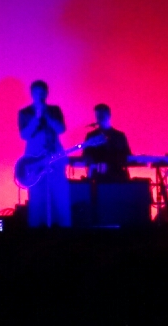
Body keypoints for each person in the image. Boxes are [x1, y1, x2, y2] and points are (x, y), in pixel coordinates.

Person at [19, 80, 69, 227]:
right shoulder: (25, 112)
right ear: (32, 94)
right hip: (35, 160)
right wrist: (36, 118)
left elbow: (61, 129)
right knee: (37, 195)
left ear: (47, 93)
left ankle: (62, 226)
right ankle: (37, 227)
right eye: (37, 93)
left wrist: (47, 115)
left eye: (42, 92)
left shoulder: (54, 110)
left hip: (55, 158)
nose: (40, 95)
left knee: (59, 193)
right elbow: (24, 135)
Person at [80, 104, 131, 181]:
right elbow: (86, 156)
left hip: (117, 175)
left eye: (102, 116)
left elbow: (127, 156)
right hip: (98, 176)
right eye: (97, 116)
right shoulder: (91, 136)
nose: (99, 119)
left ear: (109, 115)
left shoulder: (119, 136)